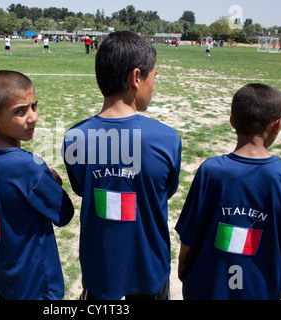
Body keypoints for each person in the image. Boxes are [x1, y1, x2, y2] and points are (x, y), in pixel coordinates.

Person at [63, 31, 182, 300]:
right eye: (154, 77)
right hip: (148, 267)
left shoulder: (75, 137)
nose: (155, 85)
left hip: (100, 267)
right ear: (136, 78)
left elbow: (83, 188)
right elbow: (166, 191)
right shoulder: (166, 138)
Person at [175, 83, 281, 300]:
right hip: (260, 289)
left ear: (232, 121)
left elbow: (189, 232)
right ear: (278, 125)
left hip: (207, 286)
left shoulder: (211, 171)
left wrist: (183, 262)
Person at [0, 70, 74, 300]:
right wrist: (52, 179)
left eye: (34, 106)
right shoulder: (28, 168)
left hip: (3, 273)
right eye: (20, 111)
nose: (33, 117)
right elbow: (64, 213)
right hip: (34, 281)